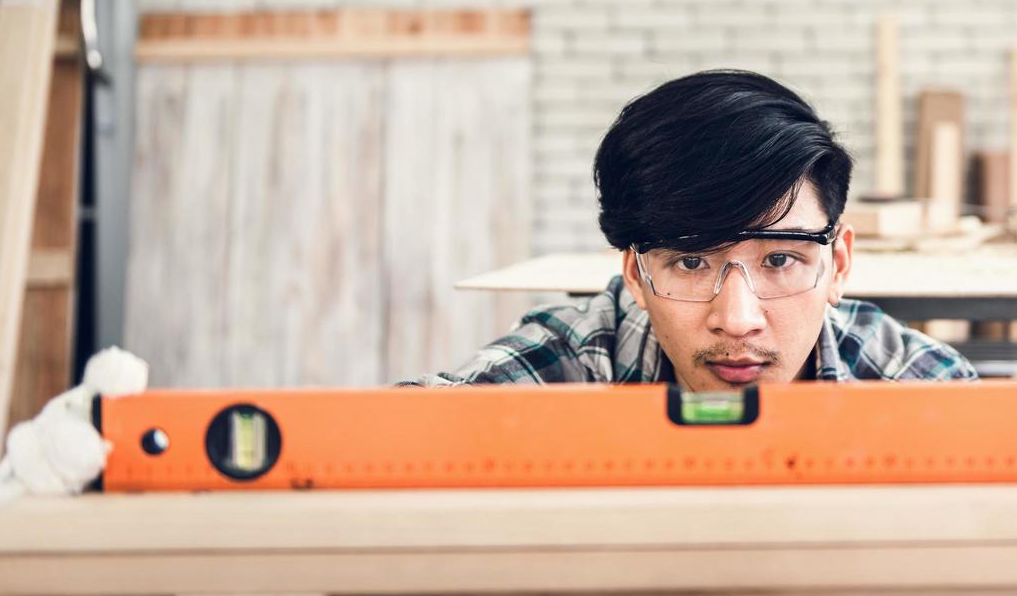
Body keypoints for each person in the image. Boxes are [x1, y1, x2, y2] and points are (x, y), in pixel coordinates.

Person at [410, 69, 976, 390]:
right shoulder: (581, 360)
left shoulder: (909, 381)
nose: (736, 319)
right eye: (689, 261)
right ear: (635, 273)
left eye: (780, 260)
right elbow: (403, 430)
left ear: (839, 266)